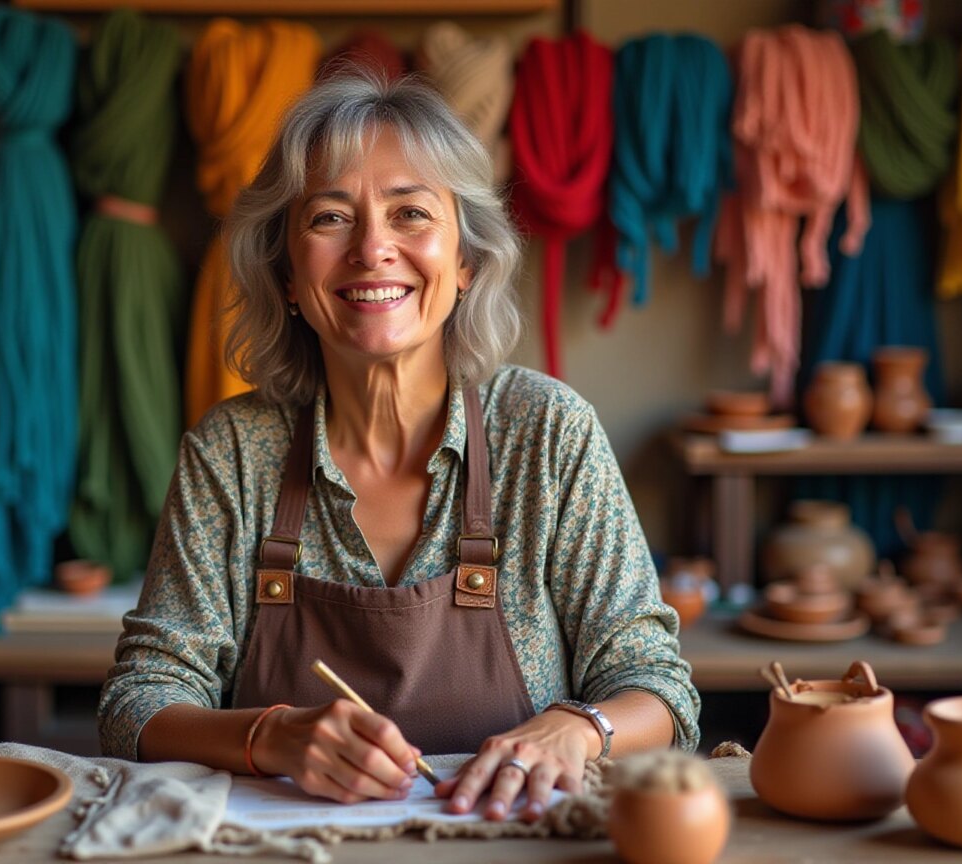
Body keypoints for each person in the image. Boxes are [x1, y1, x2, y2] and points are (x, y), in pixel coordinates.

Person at [99, 74, 699, 822]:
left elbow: (659, 688)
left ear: (467, 263)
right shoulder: (232, 451)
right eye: (328, 218)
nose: (373, 248)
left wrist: (577, 728)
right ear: (287, 274)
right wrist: (270, 736)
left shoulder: (547, 433)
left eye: (410, 213)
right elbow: (139, 701)